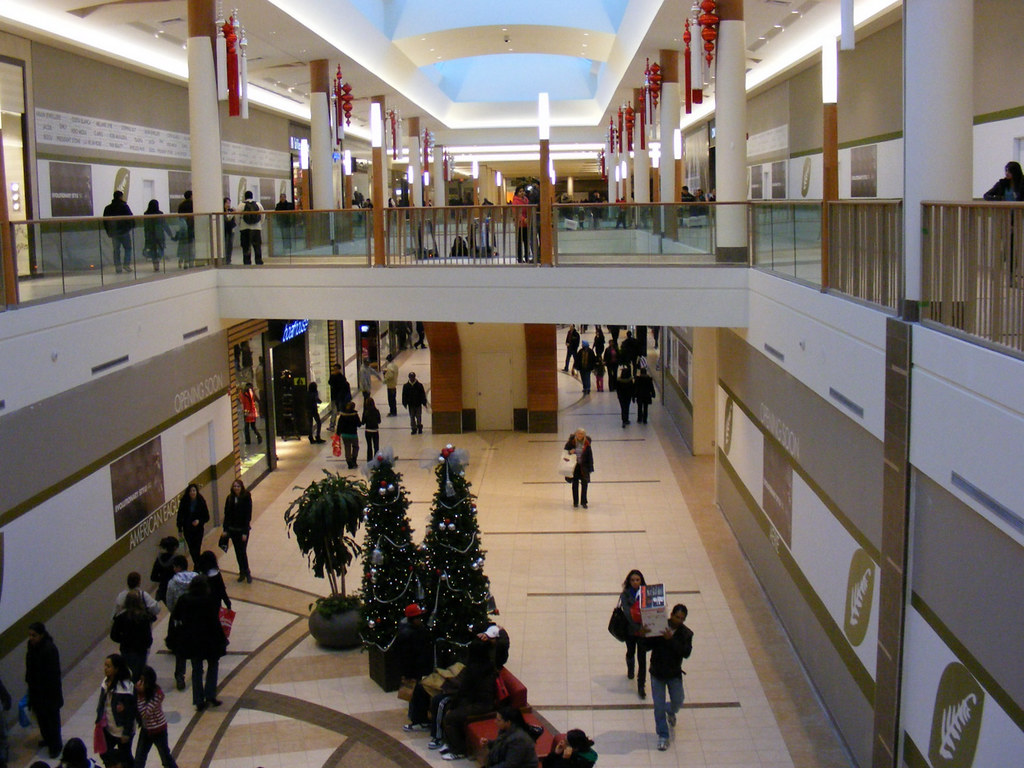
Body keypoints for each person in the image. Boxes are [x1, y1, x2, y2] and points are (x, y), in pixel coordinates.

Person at [168, 576, 227, 711]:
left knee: (197, 669)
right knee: (213, 666)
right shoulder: (209, 599)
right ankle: (210, 695)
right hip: (209, 638)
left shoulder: (184, 599)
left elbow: (176, 616)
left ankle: (198, 699)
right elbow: (214, 620)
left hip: (192, 639)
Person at [433, 641, 497, 760]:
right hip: (477, 701)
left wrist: (453, 707)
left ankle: (459, 750)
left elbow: (463, 690)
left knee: (451, 717)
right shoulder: (487, 665)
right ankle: (450, 743)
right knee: (449, 709)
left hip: (481, 705)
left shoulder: (474, 668)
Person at [647, 603, 693, 751]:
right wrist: (643, 634)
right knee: (658, 707)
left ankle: (671, 710)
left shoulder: (686, 634)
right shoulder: (659, 625)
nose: (679, 620)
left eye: (682, 618)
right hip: (657, 673)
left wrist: (671, 639)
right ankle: (663, 735)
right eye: (677, 616)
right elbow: (647, 645)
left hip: (674, 674)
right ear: (671, 614)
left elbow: (685, 653)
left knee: (678, 701)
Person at [25, 622, 63, 759]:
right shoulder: (31, 647)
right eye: (29, 635)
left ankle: (56, 746)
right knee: (42, 719)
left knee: (52, 720)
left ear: (41, 635)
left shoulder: (49, 649)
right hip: (36, 691)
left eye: (34, 635)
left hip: (49, 692)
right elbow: (29, 666)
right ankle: (47, 739)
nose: (31, 638)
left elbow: (53, 674)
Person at [398, 604, 435, 731]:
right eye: (419, 617)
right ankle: (418, 720)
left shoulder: (409, 631)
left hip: (415, 670)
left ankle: (418, 719)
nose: (421, 619)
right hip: (414, 671)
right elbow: (410, 657)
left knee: (415, 696)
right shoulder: (412, 634)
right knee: (416, 695)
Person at [95, 654, 135, 768]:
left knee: (125, 757)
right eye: (105, 665)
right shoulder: (105, 683)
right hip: (108, 728)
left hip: (121, 730)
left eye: (109, 666)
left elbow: (130, 713)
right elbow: (102, 705)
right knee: (105, 753)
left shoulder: (126, 688)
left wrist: (126, 733)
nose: (105, 668)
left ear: (117, 669)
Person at [133, 667, 178, 768]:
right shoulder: (142, 693)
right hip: (146, 730)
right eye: (140, 680)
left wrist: (140, 695)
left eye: (143, 681)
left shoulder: (157, 694)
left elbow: (145, 712)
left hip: (159, 730)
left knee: (165, 758)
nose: (140, 683)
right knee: (139, 759)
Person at [164, 555, 196, 690]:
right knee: (195, 646)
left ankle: (180, 676)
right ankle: (197, 670)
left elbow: (169, 602)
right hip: (195, 618)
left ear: (177, 567)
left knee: (181, 650)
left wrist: (175, 614)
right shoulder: (196, 578)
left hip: (180, 620)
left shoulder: (172, 583)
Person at [109, 592, 153, 680]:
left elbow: (113, 635)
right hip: (141, 650)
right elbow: (148, 635)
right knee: (139, 673)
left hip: (127, 649)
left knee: (128, 674)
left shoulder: (121, 617)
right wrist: (147, 645)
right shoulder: (144, 617)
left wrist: (123, 640)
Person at [619, 570, 648, 700]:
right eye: (633, 580)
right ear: (629, 581)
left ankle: (641, 686)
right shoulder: (625, 595)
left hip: (643, 632)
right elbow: (627, 614)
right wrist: (638, 627)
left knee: (642, 659)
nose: (635, 582)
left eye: (637, 580)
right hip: (631, 631)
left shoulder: (647, 593)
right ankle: (630, 668)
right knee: (631, 652)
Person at [224, 478, 253, 583]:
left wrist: (245, 532)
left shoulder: (246, 498)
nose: (236, 488)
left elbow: (247, 516)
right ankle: (241, 571)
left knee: (242, 551)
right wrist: (225, 529)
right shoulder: (230, 498)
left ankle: (247, 571)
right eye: (234, 486)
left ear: (241, 487)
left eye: (238, 486)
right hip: (233, 530)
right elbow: (227, 514)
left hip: (242, 530)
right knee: (237, 551)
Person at [176, 483, 210, 567]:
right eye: (191, 491)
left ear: (196, 491)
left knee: (197, 548)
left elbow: (206, 516)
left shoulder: (201, 501)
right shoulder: (184, 501)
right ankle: (197, 564)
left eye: (194, 490)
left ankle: (197, 565)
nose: (192, 492)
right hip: (188, 529)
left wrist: (199, 521)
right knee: (191, 549)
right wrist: (179, 529)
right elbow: (180, 516)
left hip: (198, 529)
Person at [102, 190, 134, 274]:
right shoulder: (124, 206)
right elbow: (130, 218)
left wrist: (108, 231)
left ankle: (118, 267)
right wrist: (130, 227)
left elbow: (105, 221)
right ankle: (126, 264)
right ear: (121, 197)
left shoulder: (108, 208)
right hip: (124, 231)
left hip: (114, 233)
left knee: (116, 250)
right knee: (128, 248)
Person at [564, 428, 594, 509]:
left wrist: (590, 467)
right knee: (575, 484)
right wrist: (570, 452)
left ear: (584, 435)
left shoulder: (587, 444)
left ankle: (584, 502)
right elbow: (565, 452)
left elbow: (590, 456)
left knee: (585, 484)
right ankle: (575, 502)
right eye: (578, 433)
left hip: (584, 467)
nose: (580, 435)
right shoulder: (571, 443)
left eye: (581, 434)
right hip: (574, 467)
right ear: (576, 434)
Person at [142, 199, 174, 272]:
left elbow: (146, 226)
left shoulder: (146, 214)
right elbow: (165, 225)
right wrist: (170, 234)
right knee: (161, 248)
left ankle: (155, 265)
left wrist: (146, 236)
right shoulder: (160, 213)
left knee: (153, 251)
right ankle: (158, 260)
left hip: (150, 236)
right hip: (159, 235)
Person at [150, 537, 179, 606]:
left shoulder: (159, 559)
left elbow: (153, 577)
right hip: (176, 590)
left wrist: (163, 579)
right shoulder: (178, 559)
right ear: (175, 547)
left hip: (163, 590)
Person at [238, 190, 264, 265]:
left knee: (246, 247)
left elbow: (237, 216)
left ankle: (247, 262)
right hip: (256, 228)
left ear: (245, 197)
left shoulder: (241, 205)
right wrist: (259, 224)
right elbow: (263, 215)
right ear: (252, 196)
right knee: (257, 247)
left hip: (244, 228)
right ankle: (258, 261)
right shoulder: (258, 204)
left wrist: (240, 225)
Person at [335, 400, 362, 469]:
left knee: (347, 447)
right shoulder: (355, 415)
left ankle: (349, 462)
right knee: (356, 447)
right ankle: (354, 459)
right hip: (353, 434)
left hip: (344, 434)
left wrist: (338, 434)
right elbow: (359, 424)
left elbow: (339, 425)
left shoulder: (342, 415)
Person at [327, 363, 351, 431]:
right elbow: (330, 382)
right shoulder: (333, 376)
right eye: (334, 369)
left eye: (336, 369)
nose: (334, 370)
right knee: (334, 412)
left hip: (340, 398)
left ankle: (342, 425)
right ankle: (332, 425)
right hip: (334, 397)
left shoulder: (341, 378)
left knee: (341, 412)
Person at [176, 190, 195, 268]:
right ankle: (189, 261)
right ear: (191, 196)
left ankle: (181, 260)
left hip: (183, 228)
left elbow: (180, 216)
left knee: (183, 245)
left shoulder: (181, 205)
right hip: (191, 227)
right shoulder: (193, 204)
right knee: (190, 246)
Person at [513, 185, 532, 263]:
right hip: (520, 224)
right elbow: (516, 213)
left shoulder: (526, 200)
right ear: (517, 193)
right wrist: (524, 219)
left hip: (526, 224)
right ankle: (520, 258)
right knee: (520, 242)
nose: (522, 193)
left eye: (523, 191)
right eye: (520, 191)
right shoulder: (515, 201)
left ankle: (527, 257)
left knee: (527, 241)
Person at [362, 396, 381, 461]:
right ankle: (377, 459)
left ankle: (369, 459)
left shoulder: (365, 412)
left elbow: (363, 422)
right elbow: (379, 421)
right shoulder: (376, 411)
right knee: (376, 446)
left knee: (369, 446)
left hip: (368, 430)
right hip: (375, 430)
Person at [222, 197, 236, 264]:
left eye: (229, 203)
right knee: (225, 244)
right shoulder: (222, 212)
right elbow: (227, 220)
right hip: (225, 230)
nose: (228, 204)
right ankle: (224, 259)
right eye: (227, 203)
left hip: (231, 229)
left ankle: (228, 259)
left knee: (230, 245)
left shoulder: (231, 210)